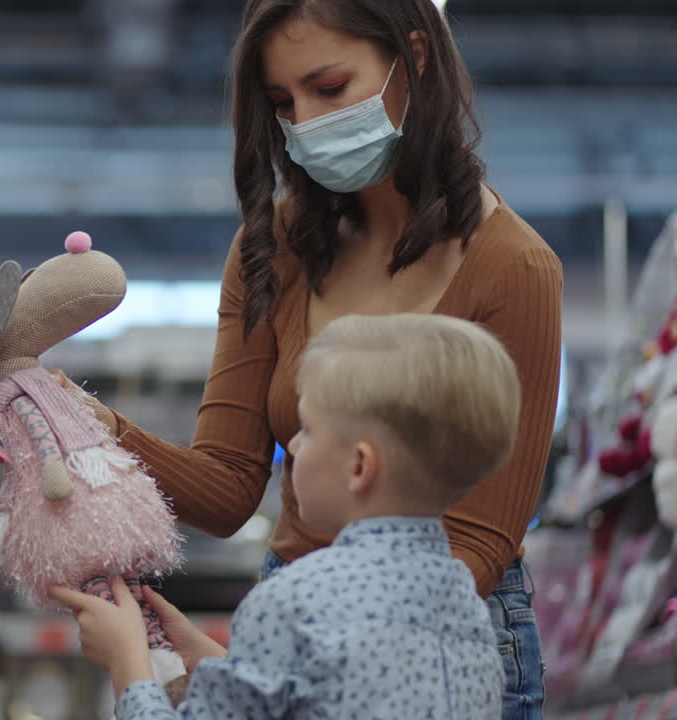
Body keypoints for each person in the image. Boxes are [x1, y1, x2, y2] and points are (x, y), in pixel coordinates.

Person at [53, 1, 562, 717]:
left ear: (413, 59)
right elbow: (229, 489)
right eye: (282, 103)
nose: (307, 124)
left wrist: (297, 649)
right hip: (308, 619)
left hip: (437, 626)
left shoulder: (514, 268)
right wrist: (77, 417)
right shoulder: (274, 249)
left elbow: (478, 543)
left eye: (329, 89)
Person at [52, 313, 516, 718]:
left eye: (307, 429)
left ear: (360, 466)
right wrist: (213, 663)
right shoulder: (467, 607)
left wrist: (129, 664)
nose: (292, 446)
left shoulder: (295, 602)